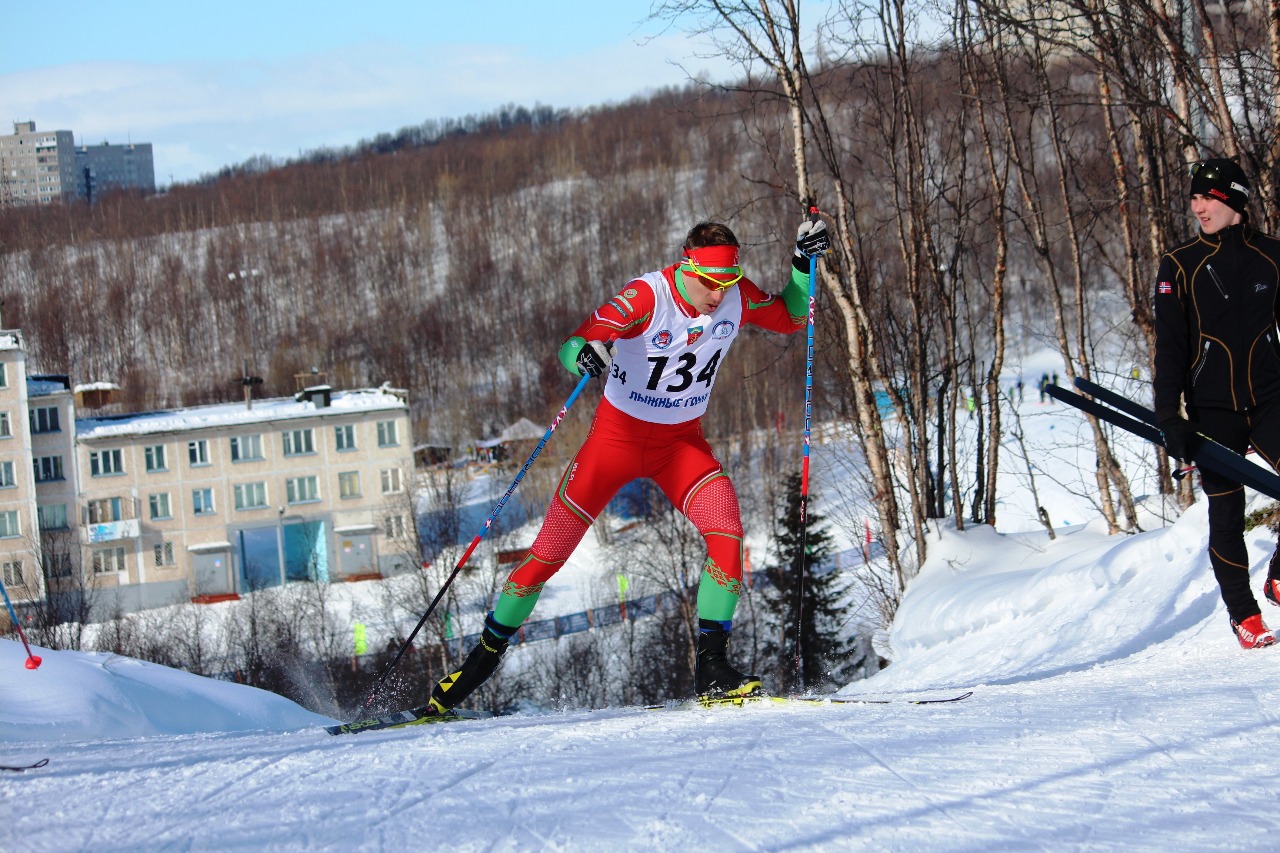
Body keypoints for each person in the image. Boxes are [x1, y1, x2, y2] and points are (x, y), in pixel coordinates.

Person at [426, 215, 832, 712]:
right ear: (688, 267)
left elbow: (792, 315)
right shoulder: (648, 296)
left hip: (680, 446)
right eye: (709, 282)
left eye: (726, 282)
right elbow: (575, 343)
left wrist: (802, 261)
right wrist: (587, 354)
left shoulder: (734, 294)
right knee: (545, 556)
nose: (717, 295)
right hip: (613, 445)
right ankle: (476, 668)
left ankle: (712, 670)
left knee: (726, 531)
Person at [1153, 157, 1280, 649]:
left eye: (1209, 197)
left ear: (1235, 202)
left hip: (1271, 398)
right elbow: (1171, 347)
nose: (1198, 206)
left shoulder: (1273, 257)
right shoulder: (1180, 264)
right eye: (1195, 197)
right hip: (1213, 409)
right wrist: (1170, 416)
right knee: (1226, 512)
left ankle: (1278, 575)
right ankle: (1244, 615)